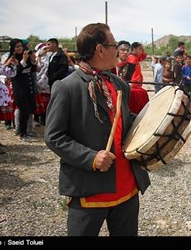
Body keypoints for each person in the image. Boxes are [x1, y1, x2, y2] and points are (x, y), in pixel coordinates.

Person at [44, 23, 150, 236]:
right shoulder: (67, 87)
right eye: (115, 45)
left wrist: (152, 126)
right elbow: (54, 137)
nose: (119, 50)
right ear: (100, 49)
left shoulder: (119, 84)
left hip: (128, 187)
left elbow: (124, 120)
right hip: (89, 190)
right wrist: (91, 157)